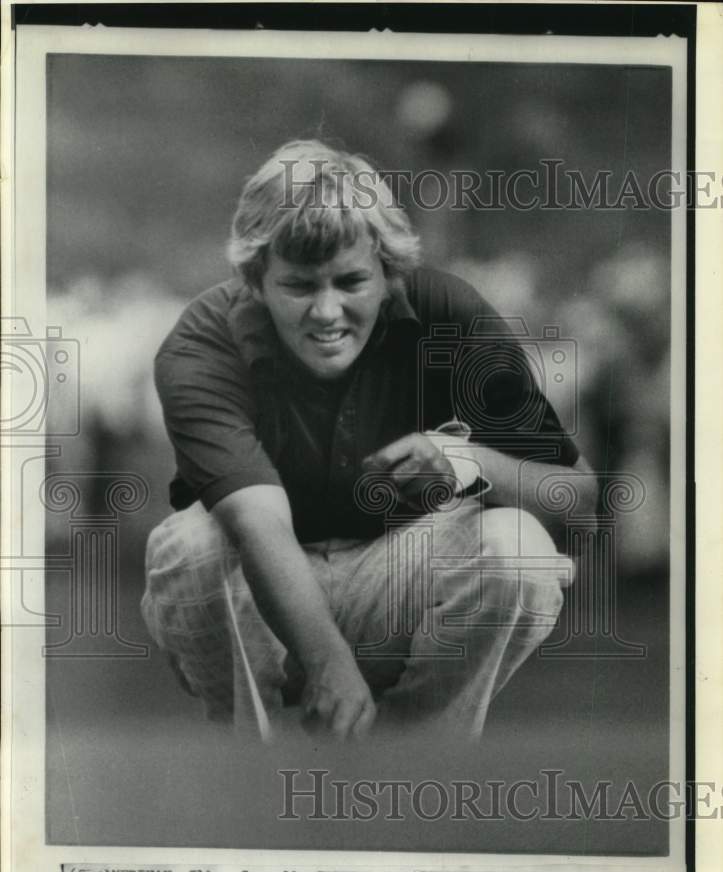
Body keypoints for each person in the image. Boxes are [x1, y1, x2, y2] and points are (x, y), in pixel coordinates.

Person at [141, 139, 597, 741]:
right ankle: (258, 763)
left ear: (388, 271)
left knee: (520, 550)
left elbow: (579, 499)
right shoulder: (205, 339)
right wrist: (330, 664)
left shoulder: (449, 312)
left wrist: (468, 462)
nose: (327, 312)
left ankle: (412, 766)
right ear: (256, 280)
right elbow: (258, 524)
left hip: (402, 579)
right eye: (300, 286)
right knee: (189, 545)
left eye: (351, 281)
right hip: (265, 587)